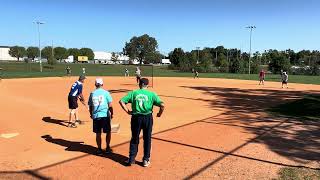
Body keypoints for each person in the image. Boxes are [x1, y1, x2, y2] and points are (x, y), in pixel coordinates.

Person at [119, 78, 165, 167]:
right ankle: (145, 160)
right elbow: (162, 105)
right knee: (147, 138)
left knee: (134, 138)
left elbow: (121, 101)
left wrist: (128, 111)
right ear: (147, 85)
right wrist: (159, 113)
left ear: (139, 84)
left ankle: (131, 159)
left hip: (136, 117)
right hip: (147, 118)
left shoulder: (133, 93)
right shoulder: (152, 94)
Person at [88, 78, 114, 154]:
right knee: (108, 132)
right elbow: (110, 105)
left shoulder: (92, 93)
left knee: (98, 133)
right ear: (102, 84)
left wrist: (91, 114)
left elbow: (90, 106)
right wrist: (112, 114)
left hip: (96, 115)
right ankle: (108, 147)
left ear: (95, 84)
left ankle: (99, 149)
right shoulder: (106, 93)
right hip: (105, 115)